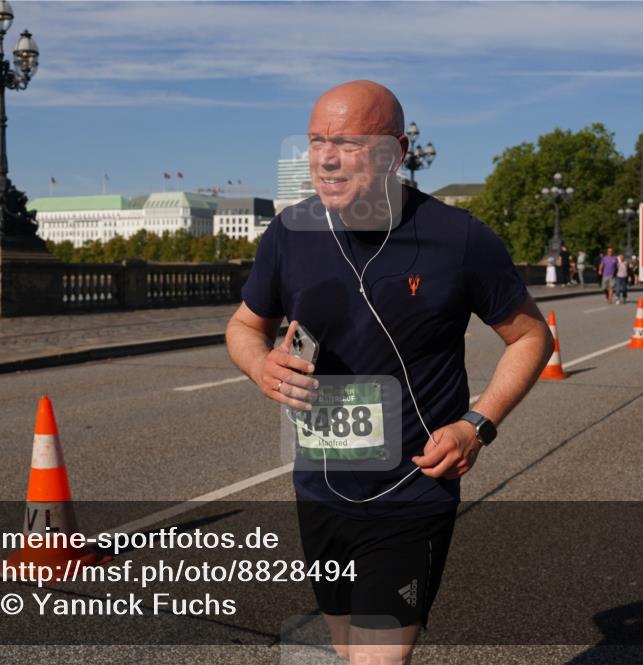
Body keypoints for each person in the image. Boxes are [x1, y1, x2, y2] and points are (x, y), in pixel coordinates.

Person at [224, 80, 554, 664]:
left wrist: (477, 424)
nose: (325, 158)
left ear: (396, 152)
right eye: (316, 141)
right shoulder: (290, 233)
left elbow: (531, 337)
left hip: (411, 492)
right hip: (319, 489)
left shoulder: (459, 238)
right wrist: (259, 364)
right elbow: (245, 326)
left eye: (348, 143)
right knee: (346, 648)